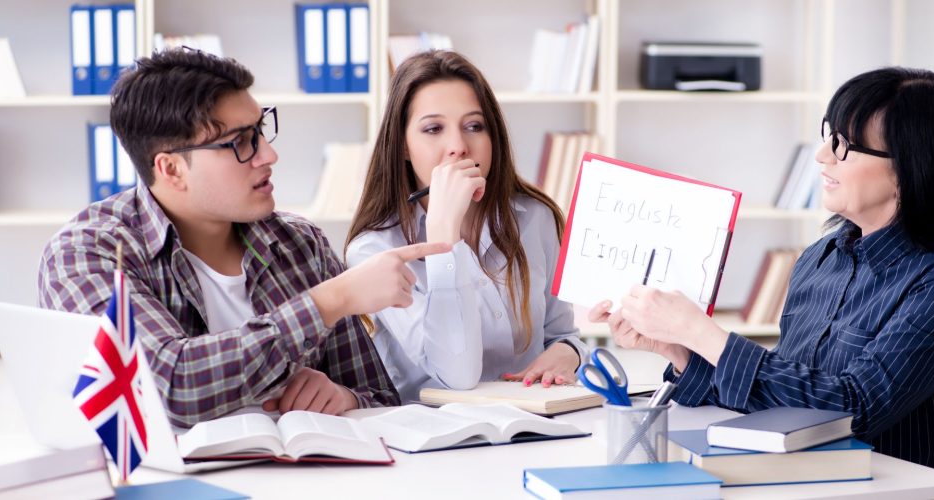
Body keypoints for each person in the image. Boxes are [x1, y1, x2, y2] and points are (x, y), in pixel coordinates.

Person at [591, 67, 934, 494]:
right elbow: (786, 401)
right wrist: (681, 352)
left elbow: (853, 410)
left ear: (908, 167)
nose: (822, 156)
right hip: (814, 486)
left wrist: (702, 332)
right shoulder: (820, 258)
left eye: (844, 146)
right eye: (827, 135)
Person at [37, 49, 450, 428]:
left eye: (260, 130)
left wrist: (344, 399)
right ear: (171, 169)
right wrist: (329, 301)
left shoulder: (301, 246)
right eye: (239, 142)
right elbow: (168, 385)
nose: (268, 155)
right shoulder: (86, 254)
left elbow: (380, 400)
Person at [344, 51, 587, 403]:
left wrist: (568, 353)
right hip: (436, 441)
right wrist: (445, 234)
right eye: (433, 129)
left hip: (534, 427)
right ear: (402, 147)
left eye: (474, 126)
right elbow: (456, 376)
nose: (458, 147)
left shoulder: (535, 218)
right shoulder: (375, 249)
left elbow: (563, 333)